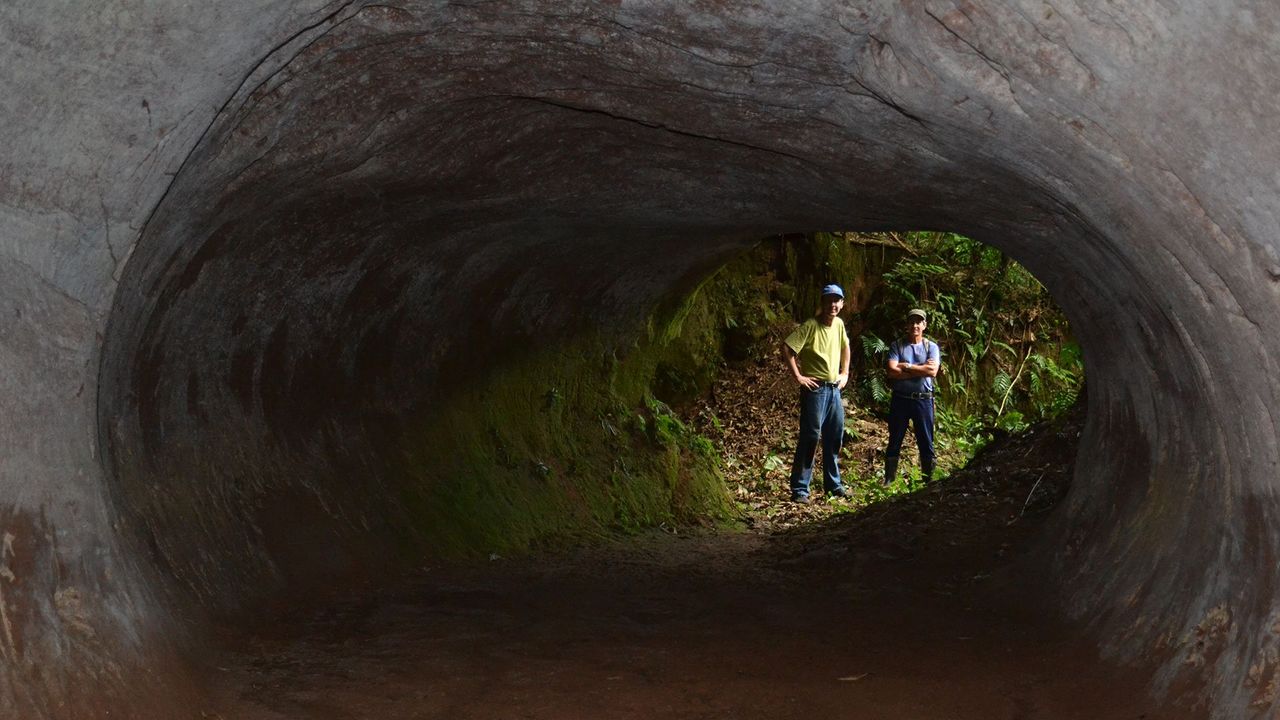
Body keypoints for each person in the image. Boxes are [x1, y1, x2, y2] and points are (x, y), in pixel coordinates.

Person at [782, 284, 852, 503]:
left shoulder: (839, 324)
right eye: (829, 300)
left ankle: (833, 485)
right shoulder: (811, 326)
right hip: (815, 390)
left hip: (834, 390)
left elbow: (845, 347)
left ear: (842, 303)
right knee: (811, 436)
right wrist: (799, 377)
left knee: (834, 436)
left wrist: (845, 372)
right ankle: (800, 489)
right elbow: (787, 347)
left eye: (836, 300)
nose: (833, 304)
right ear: (822, 303)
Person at [884, 308, 941, 485]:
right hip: (900, 399)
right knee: (894, 439)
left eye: (919, 322)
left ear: (924, 325)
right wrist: (920, 369)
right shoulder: (897, 345)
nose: (915, 325)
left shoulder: (931, 347)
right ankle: (889, 480)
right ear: (907, 325)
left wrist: (906, 367)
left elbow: (932, 371)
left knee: (926, 440)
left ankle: (927, 480)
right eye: (912, 322)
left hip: (923, 399)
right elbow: (892, 371)